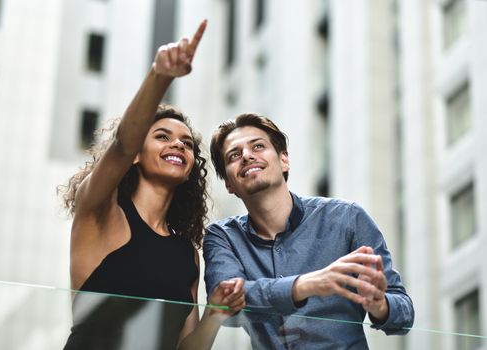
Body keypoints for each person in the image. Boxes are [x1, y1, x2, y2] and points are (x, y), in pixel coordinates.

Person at [59, 20, 245, 350]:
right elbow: (121, 144)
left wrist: (214, 314)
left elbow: (186, 348)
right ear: (136, 156)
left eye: (187, 144)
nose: (178, 146)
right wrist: (161, 75)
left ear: (191, 169)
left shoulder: (187, 253)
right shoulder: (101, 210)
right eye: (162, 137)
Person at [203, 113, 415, 349]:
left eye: (258, 146)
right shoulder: (222, 237)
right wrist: (307, 285)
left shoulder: (348, 218)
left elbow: (404, 315)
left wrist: (379, 305)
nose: (246, 156)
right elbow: (224, 304)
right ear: (229, 184)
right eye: (234, 155)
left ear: (284, 160)